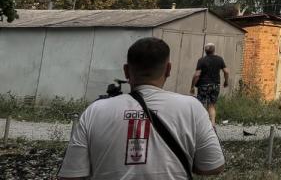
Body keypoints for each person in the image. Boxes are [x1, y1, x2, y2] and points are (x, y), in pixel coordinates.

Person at [58, 37, 224, 179]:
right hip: (213, 87)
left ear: (126, 71)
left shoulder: (94, 111)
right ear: (168, 69)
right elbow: (212, 166)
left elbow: (71, 174)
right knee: (212, 105)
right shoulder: (191, 108)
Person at [191, 43, 229, 126]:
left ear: (205, 51)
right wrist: (226, 81)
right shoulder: (219, 59)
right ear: (214, 50)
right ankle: (212, 125)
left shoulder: (202, 60)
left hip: (203, 85)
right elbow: (226, 71)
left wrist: (192, 86)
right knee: (211, 105)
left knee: (200, 105)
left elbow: (197, 74)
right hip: (215, 85)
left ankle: (200, 124)